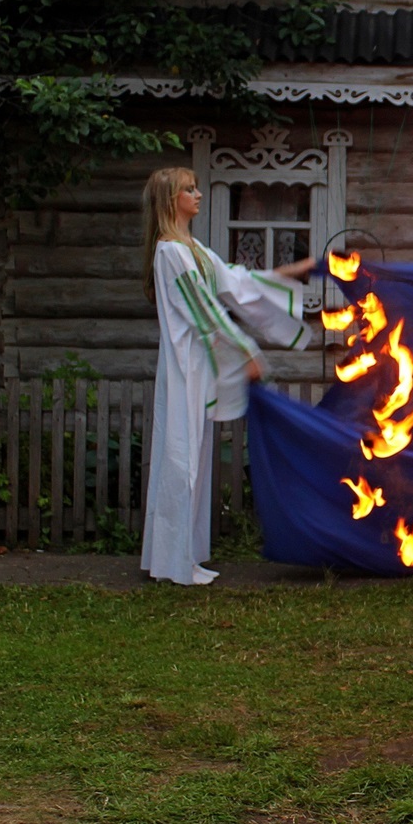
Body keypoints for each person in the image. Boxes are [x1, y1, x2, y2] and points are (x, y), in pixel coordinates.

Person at [140, 168, 314, 585]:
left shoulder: (192, 248)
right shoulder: (170, 253)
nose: (198, 194)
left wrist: (293, 271)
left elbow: (235, 280)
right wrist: (246, 351)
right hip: (186, 365)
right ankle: (173, 562)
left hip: (198, 363)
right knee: (180, 459)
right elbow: (203, 312)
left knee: (193, 458)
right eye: (189, 189)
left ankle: (184, 556)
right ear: (170, 200)